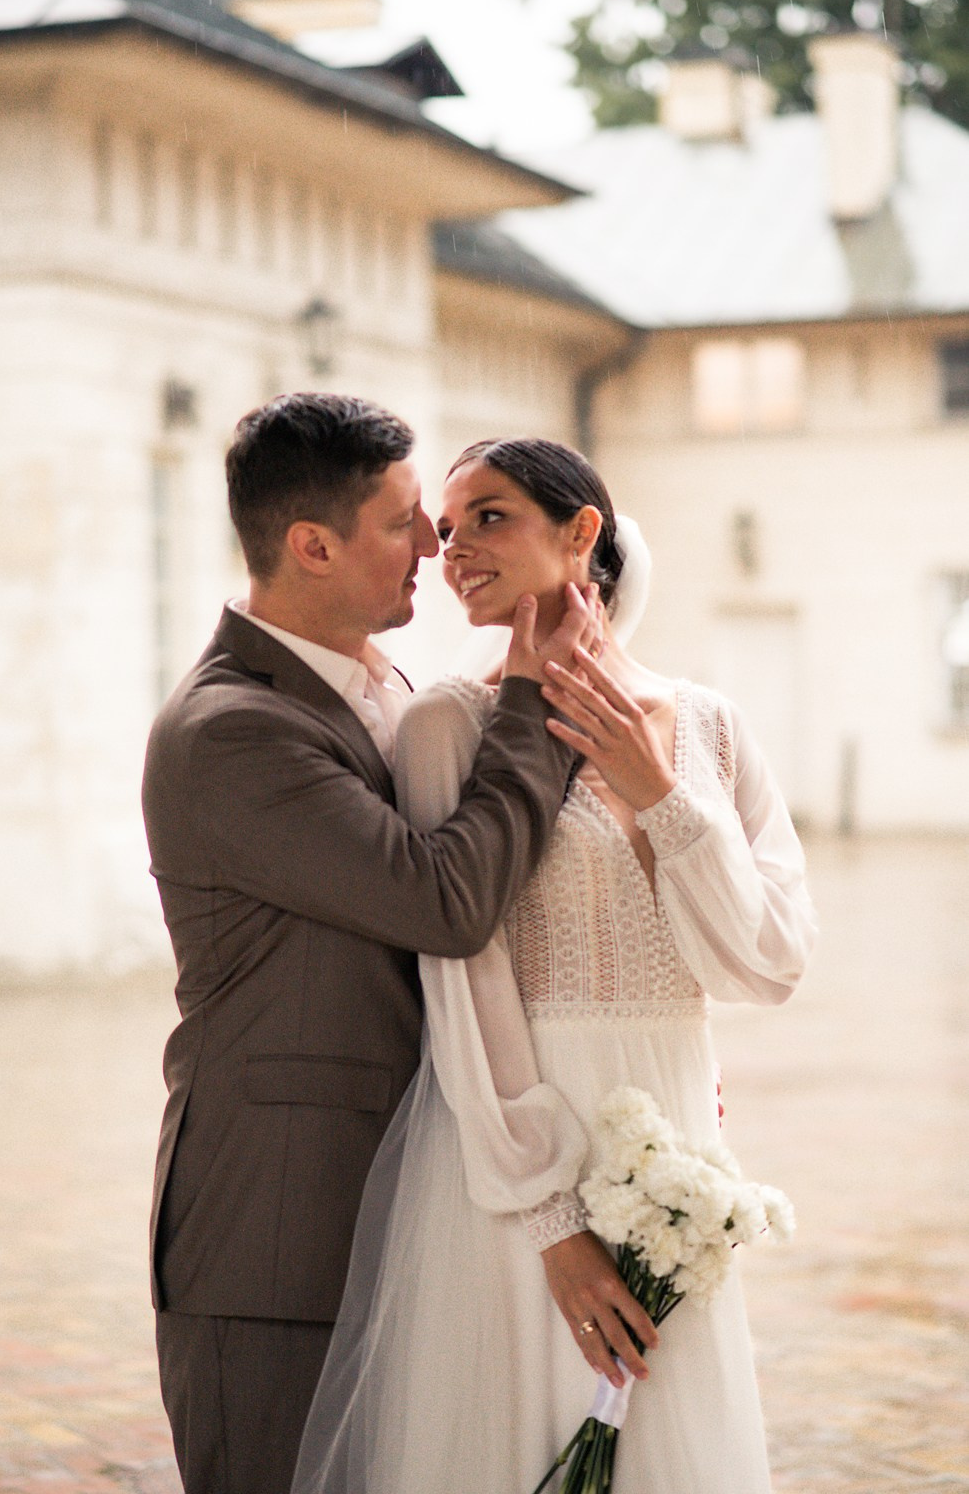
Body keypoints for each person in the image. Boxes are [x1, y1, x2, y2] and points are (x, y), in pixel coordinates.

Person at [290, 438, 818, 1494]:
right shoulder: (449, 723)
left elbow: (765, 963)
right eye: (445, 530)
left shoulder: (710, 727)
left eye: (489, 517)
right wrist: (549, 1219)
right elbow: (461, 977)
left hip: (673, 1133)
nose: (453, 550)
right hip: (515, 1158)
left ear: (580, 532)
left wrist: (661, 797)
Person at [140, 395, 632, 1494]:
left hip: (414, 1213)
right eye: (406, 520)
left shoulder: (382, 693)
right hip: (276, 1233)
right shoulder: (232, 732)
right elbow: (447, 898)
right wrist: (533, 694)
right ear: (312, 546)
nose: (435, 546)